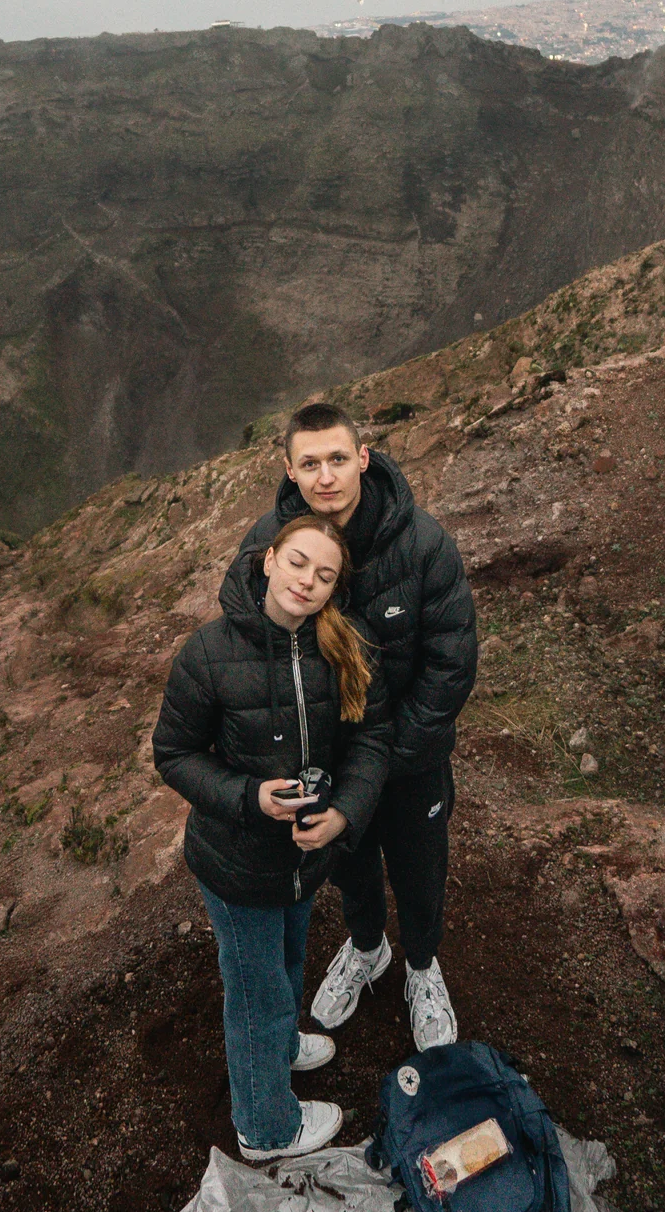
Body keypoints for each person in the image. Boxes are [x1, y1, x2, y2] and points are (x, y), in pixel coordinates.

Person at [222, 400, 477, 1052]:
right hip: (324, 761)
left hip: (409, 757)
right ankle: (368, 949)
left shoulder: (423, 543)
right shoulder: (267, 546)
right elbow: (241, 623)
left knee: (420, 865)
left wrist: (390, 757)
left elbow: (452, 660)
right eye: (310, 462)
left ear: (363, 457)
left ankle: (422, 966)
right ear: (289, 468)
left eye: (338, 458)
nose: (326, 475)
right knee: (346, 864)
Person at [153, 513, 392, 1161]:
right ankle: (265, 1127)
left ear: (333, 588)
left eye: (324, 574)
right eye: (297, 562)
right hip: (235, 864)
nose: (307, 581)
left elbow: (369, 740)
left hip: (303, 858)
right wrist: (249, 796)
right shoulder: (208, 652)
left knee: (287, 958)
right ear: (267, 560)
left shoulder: (337, 648)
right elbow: (173, 753)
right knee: (256, 990)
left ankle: (283, 1047)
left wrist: (343, 812)